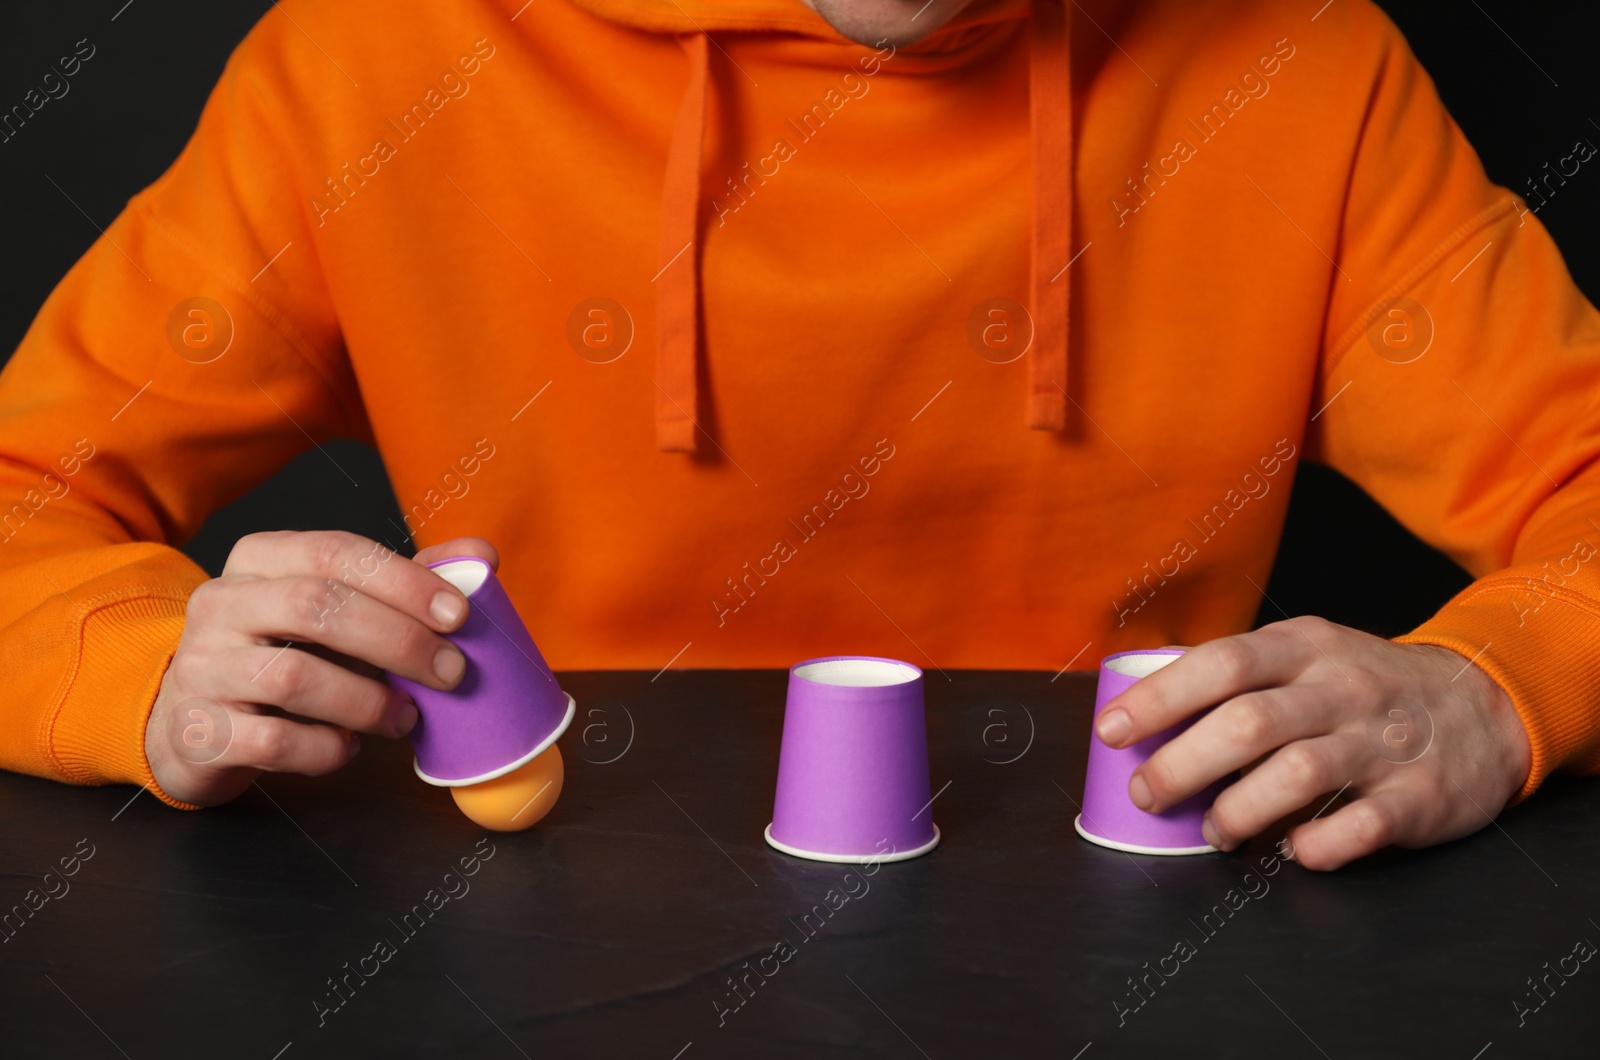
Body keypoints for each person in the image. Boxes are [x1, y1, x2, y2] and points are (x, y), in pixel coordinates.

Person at [0, 0, 1591, 872]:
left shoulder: (1308, 65)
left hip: (1147, 925)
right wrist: (147, 673)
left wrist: (1494, 692)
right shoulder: (366, 63)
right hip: (530, 934)